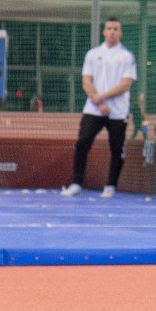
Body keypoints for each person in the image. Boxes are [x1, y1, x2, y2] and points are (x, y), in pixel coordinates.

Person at [63, 17, 137, 198]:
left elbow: (126, 84)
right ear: (104, 32)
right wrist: (99, 102)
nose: (112, 32)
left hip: (117, 112)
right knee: (82, 142)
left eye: (116, 29)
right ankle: (76, 183)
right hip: (93, 109)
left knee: (117, 148)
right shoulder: (92, 54)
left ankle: (111, 185)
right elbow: (86, 81)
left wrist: (103, 97)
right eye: (109, 28)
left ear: (120, 32)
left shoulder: (127, 56)